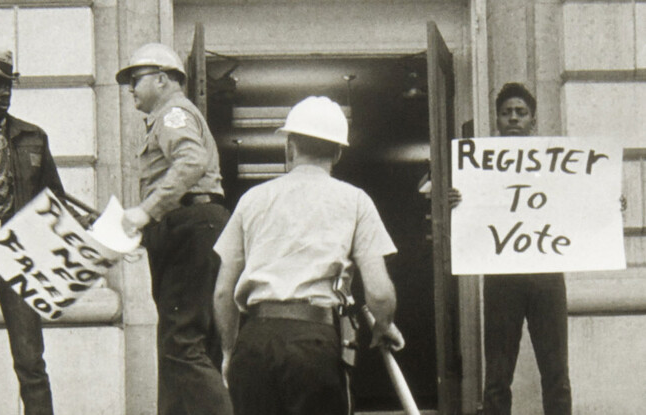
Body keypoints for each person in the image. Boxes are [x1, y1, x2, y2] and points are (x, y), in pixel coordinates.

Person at [213, 96, 405, 415]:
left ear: (289, 147)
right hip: (314, 344)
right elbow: (380, 293)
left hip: (255, 342)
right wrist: (384, 325)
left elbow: (222, 292)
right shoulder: (355, 201)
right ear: (338, 152)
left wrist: (230, 351)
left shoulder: (252, 200)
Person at [116, 43, 233, 415]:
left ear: (163, 80)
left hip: (189, 225)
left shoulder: (173, 114)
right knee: (183, 344)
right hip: (190, 224)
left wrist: (146, 211)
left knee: (181, 342)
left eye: (136, 80)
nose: (131, 89)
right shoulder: (169, 116)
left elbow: (191, 160)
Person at [450, 83, 572, 415]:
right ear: (497, 120)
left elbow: (580, 202)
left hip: (547, 277)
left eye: (520, 112)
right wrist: (456, 201)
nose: (513, 118)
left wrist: (606, 201)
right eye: (506, 113)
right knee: (497, 377)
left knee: (557, 374)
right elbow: (463, 212)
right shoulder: (479, 166)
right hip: (502, 278)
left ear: (533, 119)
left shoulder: (557, 164)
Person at [0, 46, 64, 415]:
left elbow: (54, 198)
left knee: (30, 361)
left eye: (8, 85)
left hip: (19, 252)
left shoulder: (33, 137)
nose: (4, 93)